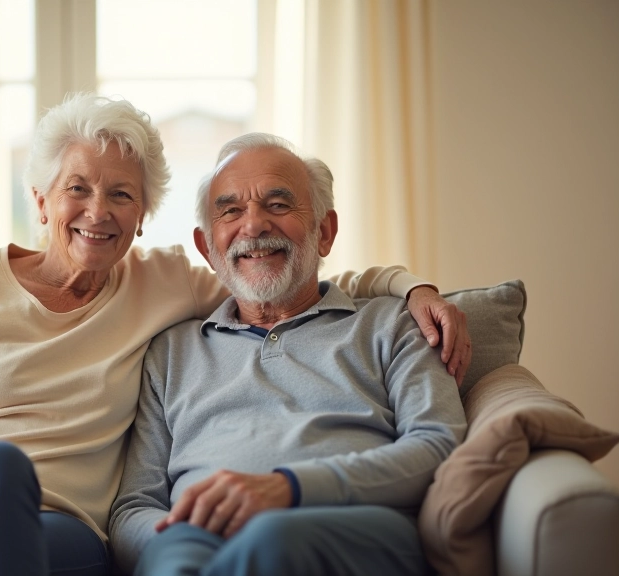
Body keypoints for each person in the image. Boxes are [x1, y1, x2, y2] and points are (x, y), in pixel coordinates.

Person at [0, 96, 471, 576]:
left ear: (141, 217)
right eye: (77, 188)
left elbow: (281, 274)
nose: (98, 211)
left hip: (64, 530)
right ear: (42, 200)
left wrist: (408, 286)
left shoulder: (163, 288)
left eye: (121, 196)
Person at [109, 133, 469, 576]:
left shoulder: (394, 324)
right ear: (208, 248)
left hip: (353, 530)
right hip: (198, 540)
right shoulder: (170, 352)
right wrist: (182, 529)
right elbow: (133, 507)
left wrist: (288, 489)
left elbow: (438, 446)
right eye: (231, 210)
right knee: (174, 559)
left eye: (278, 205)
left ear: (325, 232)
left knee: (270, 540)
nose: (254, 225)